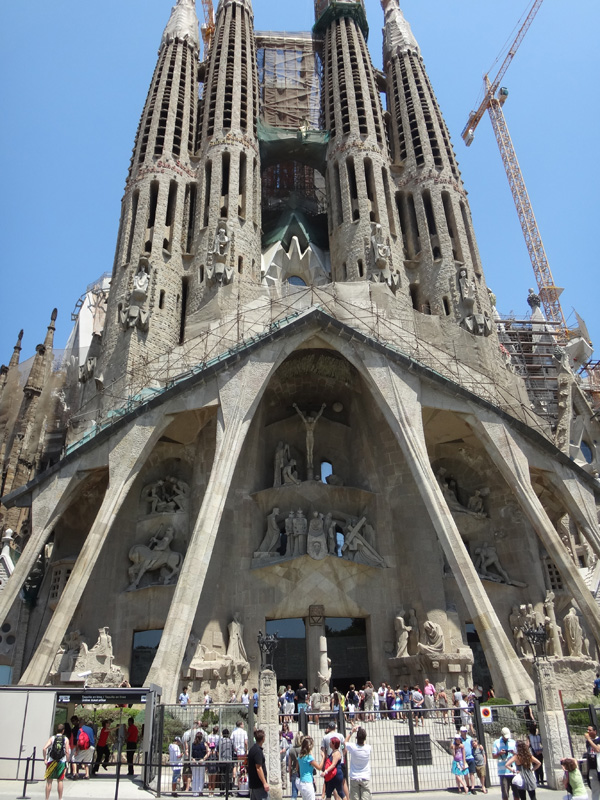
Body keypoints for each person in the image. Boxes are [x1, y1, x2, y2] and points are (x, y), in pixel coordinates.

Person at [43, 723, 71, 800]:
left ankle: (47, 798)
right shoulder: (66, 739)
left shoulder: (52, 738)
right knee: (60, 780)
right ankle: (60, 798)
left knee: (49, 781)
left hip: (51, 761)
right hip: (61, 761)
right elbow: (67, 751)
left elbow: (44, 748)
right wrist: (67, 760)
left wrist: (45, 759)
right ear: (63, 731)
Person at [344, 725, 371, 800]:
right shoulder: (368, 748)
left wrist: (352, 731)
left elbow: (344, 742)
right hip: (365, 776)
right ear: (365, 738)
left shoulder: (353, 747)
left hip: (354, 776)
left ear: (356, 738)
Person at [298, 736, 325, 800]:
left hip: (302, 782)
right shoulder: (309, 758)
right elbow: (319, 767)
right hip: (308, 783)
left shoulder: (300, 757)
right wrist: (323, 757)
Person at [493, 728, 517, 800]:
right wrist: (499, 753)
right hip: (503, 772)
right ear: (502, 735)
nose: (506, 738)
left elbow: (518, 755)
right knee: (505, 794)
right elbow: (494, 756)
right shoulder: (496, 743)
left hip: (513, 770)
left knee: (516, 793)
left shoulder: (513, 742)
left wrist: (513, 753)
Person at [247, 729, 269, 800]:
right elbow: (259, 768)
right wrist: (264, 783)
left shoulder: (252, 749)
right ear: (263, 739)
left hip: (254, 784)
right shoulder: (258, 751)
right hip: (259, 785)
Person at [459, 726, 476, 794]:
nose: (463, 733)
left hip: (470, 757)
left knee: (472, 773)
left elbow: (473, 745)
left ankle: (473, 787)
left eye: (464, 731)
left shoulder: (470, 738)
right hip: (463, 758)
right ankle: (468, 786)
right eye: (462, 731)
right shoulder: (459, 739)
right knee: (466, 773)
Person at [585, 724, 600, 800]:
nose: (588, 732)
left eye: (590, 730)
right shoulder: (588, 742)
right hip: (592, 768)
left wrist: (589, 740)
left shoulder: (598, 740)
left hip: (599, 767)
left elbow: (598, 750)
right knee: (595, 789)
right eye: (587, 730)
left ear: (595, 731)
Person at [288, 731, 305, 799]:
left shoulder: (291, 750)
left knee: (294, 793)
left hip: (294, 771)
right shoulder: (303, 750)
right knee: (304, 793)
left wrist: (290, 775)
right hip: (303, 772)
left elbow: (289, 764)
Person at [191, 730, 208, 796]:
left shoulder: (192, 744)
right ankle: (200, 790)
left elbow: (189, 753)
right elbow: (208, 752)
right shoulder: (204, 744)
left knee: (195, 777)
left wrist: (192, 759)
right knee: (201, 776)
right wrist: (203, 759)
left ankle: (194, 792)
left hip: (194, 762)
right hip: (201, 761)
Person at [219, 728, 234, 793]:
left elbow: (218, 750)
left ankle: (222, 790)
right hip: (229, 760)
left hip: (222, 760)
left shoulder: (221, 741)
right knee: (229, 775)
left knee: (222, 775)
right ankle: (229, 790)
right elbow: (233, 749)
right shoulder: (230, 741)